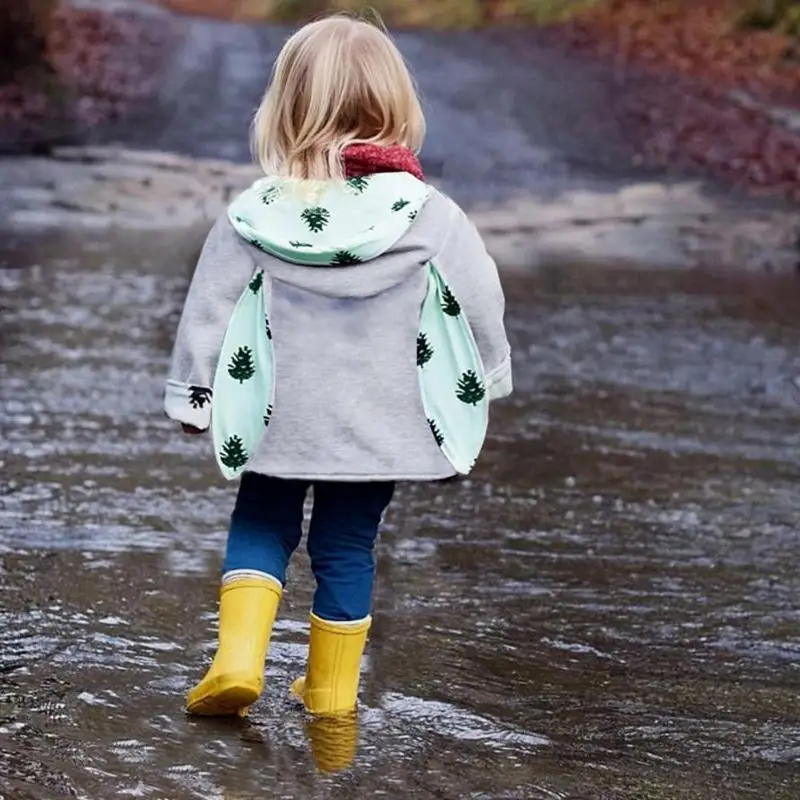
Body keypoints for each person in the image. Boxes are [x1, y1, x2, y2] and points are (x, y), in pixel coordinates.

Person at [164, 12, 512, 735]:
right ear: (395, 106)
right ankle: (330, 695)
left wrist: (194, 393)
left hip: (276, 410)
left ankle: (237, 660)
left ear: (285, 109)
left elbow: (208, 308)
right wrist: (489, 384)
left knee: (262, 520)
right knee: (348, 545)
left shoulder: (255, 215)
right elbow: (480, 303)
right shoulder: (431, 215)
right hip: (379, 421)